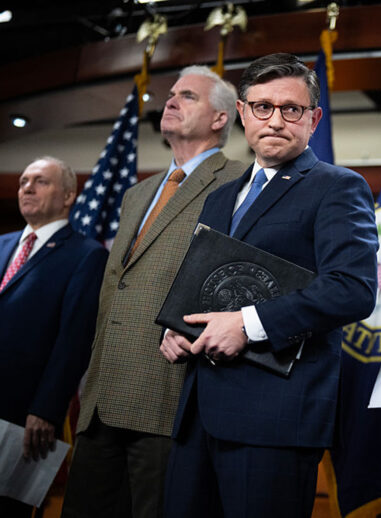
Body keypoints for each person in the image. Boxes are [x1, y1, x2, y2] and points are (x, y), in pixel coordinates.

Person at [160, 53, 378, 518]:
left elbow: (352, 289)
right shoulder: (218, 198)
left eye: (291, 109)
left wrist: (249, 324)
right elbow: (203, 284)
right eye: (262, 107)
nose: (275, 120)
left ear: (314, 119)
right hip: (197, 417)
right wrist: (177, 327)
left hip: (275, 422)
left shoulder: (338, 187)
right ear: (242, 113)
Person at [62, 66, 244, 518]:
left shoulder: (239, 181)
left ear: (221, 118)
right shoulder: (137, 194)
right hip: (102, 397)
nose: (172, 101)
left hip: (169, 396)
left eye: (188, 96)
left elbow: (238, 277)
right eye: (171, 94)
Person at [0, 156, 108, 517]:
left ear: (67, 196)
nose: (27, 187)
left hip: (23, 415)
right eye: (23, 181)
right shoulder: (1, 244)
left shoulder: (86, 254)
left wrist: (46, 409)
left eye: (41, 181)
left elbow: (73, 339)